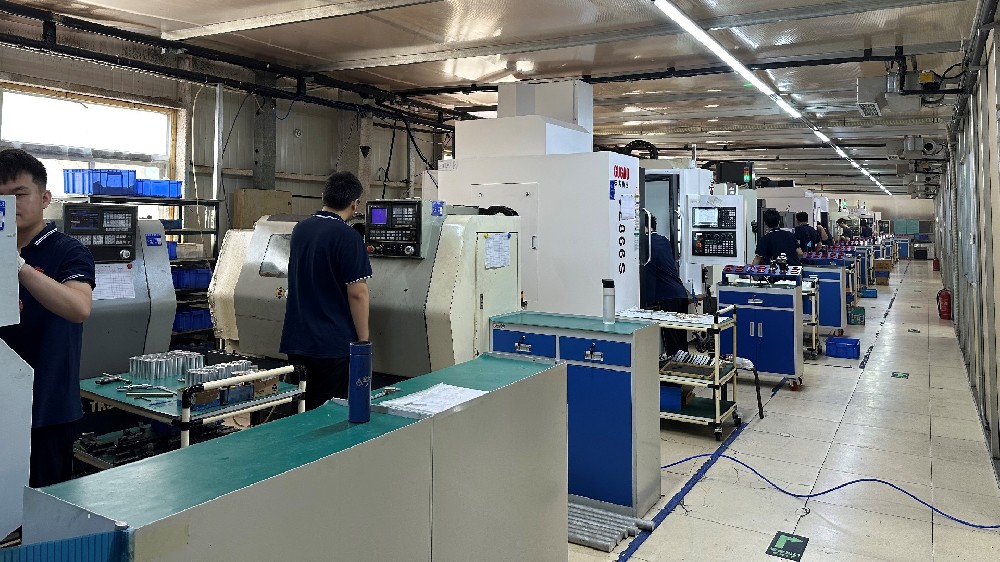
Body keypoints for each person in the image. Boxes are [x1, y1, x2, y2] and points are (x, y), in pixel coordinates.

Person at [0, 149, 95, 488]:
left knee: (43, 504)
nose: (8, 205)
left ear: (44, 198)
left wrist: (18, 266)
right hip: (3, 400)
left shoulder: (68, 251)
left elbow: (79, 307)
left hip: (48, 408)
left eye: (18, 195)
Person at [280, 171, 372, 411]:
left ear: (324, 196)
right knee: (330, 414)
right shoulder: (348, 237)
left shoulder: (301, 229)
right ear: (355, 204)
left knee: (303, 409)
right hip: (331, 345)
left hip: (298, 340)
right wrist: (363, 341)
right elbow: (358, 293)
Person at [643, 216, 690, 356]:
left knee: (672, 343)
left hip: (666, 296)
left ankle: (674, 368)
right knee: (681, 339)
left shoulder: (646, 242)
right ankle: (683, 365)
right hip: (680, 294)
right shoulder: (663, 240)